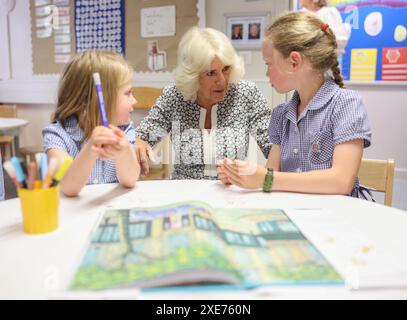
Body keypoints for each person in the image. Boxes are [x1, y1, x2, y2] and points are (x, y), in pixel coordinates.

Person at [219, 11, 371, 197]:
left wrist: (264, 178)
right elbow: (271, 176)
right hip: (293, 213)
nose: (267, 73)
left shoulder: (346, 104)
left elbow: (341, 182)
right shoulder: (281, 115)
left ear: (294, 62)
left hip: (335, 218)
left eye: (268, 64)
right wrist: (241, 175)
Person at [135, 27, 272, 180]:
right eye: (211, 73)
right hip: (185, 191)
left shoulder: (246, 93)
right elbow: (143, 136)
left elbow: (272, 145)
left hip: (232, 190)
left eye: (226, 69)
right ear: (193, 75)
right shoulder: (175, 96)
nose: (222, 81)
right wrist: (139, 142)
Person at [43, 51, 140, 197]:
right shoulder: (57, 135)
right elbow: (69, 187)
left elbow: (130, 180)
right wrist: (91, 149)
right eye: (128, 93)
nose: (134, 100)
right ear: (97, 99)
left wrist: (124, 152)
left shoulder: (124, 130)